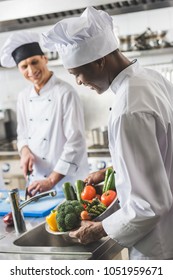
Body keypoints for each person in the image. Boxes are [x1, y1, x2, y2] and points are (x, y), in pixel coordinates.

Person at [42, 6, 173, 260]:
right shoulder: (152, 80)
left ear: (100, 60)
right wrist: (115, 170)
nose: (78, 82)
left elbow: (148, 207)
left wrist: (100, 228)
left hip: (157, 246)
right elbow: (161, 152)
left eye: (76, 73)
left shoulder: (128, 109)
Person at [0, 31, 89, 197]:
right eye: (24, 66)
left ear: (45, 59)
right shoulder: (23, 97)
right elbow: (22, 135)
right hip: (37, 182)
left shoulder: (65, 93)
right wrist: (24, 151)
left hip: (66, 183)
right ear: (19, 69)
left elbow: (75, 143)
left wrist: (51, 180)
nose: (31, 70)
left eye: (34, 62)